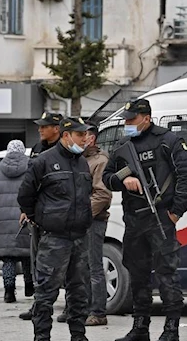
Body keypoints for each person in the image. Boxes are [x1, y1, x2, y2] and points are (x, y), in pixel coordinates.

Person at [102, 99, 187, 341]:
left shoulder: (168, 141)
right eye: (125, 119)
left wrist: (176, 212)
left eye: (131, 119)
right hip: (134, 220)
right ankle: (140, 327)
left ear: (146, 117)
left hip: (160, 218)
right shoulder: (124, 144)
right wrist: (124, 178)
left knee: (167, 274)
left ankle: (171, 329)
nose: (127, 123)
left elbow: (186, 176)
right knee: (137, 273)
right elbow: (106, 176)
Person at [18, 117, 93, 341]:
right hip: (54, 239)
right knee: (46, 293)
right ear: (66, 135)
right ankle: (42, 337)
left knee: (79, 292)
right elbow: (25, 195)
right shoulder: (43, 161)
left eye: (86, 135)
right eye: (80, 135)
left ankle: (78, 336)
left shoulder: (82, 162)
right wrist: (38, 219)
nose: (85, 139)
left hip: (79, 237)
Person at [57, 122, 112, 326]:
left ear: (92, 138)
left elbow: (102, 194)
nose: (80, 138)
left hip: (93, 220)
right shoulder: (77, 159)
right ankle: (75, 307)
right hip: (75, 221)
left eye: (84, 135)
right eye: (78, 134)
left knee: (94, 266)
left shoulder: (100, 160)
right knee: (75, 266)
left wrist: (81, 213)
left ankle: (98, 311)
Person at [19, 111, 64, 321]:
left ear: (56, 128)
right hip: (37, 216)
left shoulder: (64, 149)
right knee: (38, 262)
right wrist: (25, 210)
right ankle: (40, 304)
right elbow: (29, 182)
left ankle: (70, 306)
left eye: (44, 126)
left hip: (57, 216)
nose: (39, 129)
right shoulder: (37, 149)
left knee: (64, 264)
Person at [0, 140, 34, 303]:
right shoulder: (30, 168)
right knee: (27, 255)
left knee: (8, 259)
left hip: (3, 222)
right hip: (24, 218)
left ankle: (9, 291)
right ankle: (29, 286)